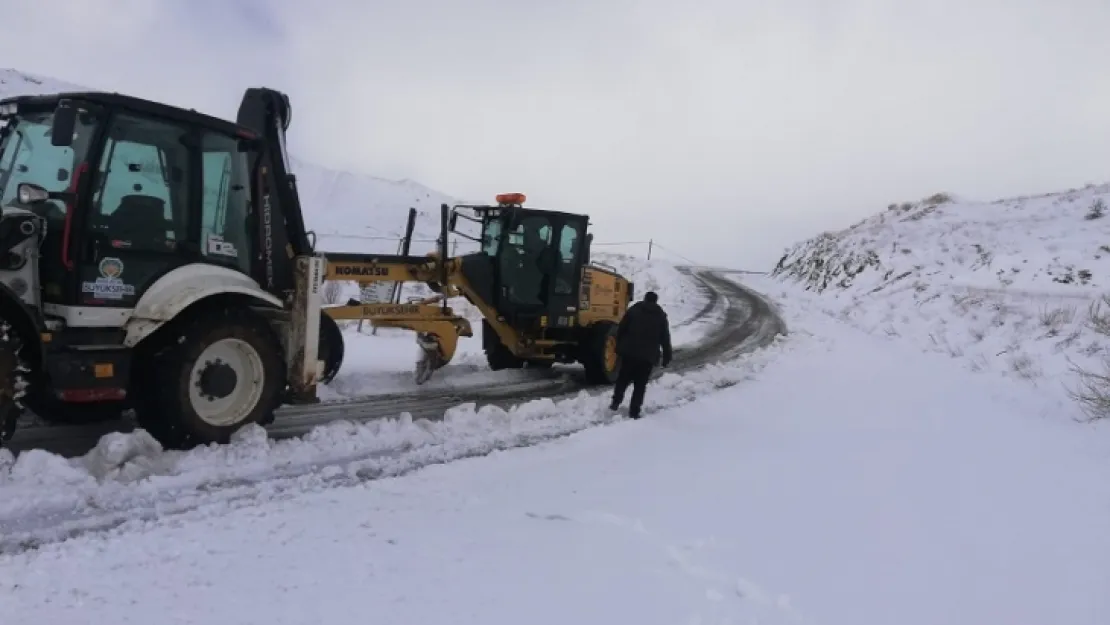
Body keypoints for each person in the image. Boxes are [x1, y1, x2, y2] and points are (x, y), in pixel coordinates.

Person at [609, 291, 672, 419]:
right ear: (655, 301)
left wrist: (619, 347)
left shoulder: (634, 311)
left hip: (629, 354)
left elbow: (622, 328)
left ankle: (615, 403)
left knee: (623, 379)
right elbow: (665, 338)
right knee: (640, 385)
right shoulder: (660, 316)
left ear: (645, 299)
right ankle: (634, 411)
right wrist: (666, 357)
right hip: (647, 357)